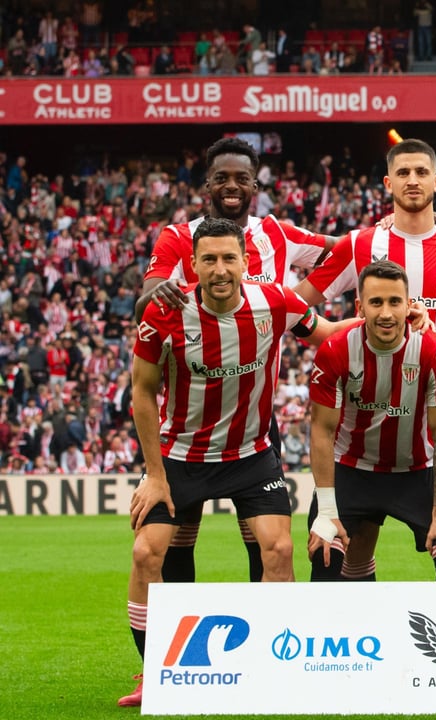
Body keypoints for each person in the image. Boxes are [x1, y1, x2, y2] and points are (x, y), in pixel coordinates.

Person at [121, 218, 355, 707]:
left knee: (279, 550)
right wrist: (155, 475)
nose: (220, 269)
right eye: (209, 259)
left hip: (250, 455)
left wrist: (389, 319)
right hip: (180, 456)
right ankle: (154, 672)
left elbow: (329, 332)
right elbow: (141, 392)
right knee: (146, 554)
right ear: (193, 265)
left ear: (246, 262)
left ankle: (271, 669)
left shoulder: (275, 301)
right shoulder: (165, 313)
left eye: (229, 258)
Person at [296, 138, 436, 583]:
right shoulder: (360, 244)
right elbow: (294, 307)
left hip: (429, 430)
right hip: (360, 430)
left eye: (421, 172)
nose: (413, 180)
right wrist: (344, 332)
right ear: (388, 183)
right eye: (403, 173)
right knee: (349, 551)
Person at [136, 137, 336, 586]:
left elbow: (348, 250)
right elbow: (145, 304)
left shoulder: (278, 234)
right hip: (189, 423)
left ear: (255, 185)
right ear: (207, 184)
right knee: (180, 535)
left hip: (253, 420)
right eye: (221, 178)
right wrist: (157, 293)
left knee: (264, 540)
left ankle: (261, 628)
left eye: (241, 178)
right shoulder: (178, 238)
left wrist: (404, 225)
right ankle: (180, 629)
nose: (231, 186)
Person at [308, 260, 436, 581]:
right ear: (359, 307)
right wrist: (326, 511)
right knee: (325, 554)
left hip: (417, 470)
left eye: (394, 302)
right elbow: (322, 432)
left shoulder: (435, 351)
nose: (386, 313)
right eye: (376, 302)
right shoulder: (335, 351)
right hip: (351, 471)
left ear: (408, 305)